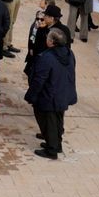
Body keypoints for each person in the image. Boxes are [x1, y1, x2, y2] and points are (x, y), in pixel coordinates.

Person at [26, 27, 77, 160]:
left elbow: (39, 80)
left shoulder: (46, 57)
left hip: (49, 95)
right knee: (58, 120)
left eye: (48, 37)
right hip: (63, 93)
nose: (46, 39)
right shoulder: (69, 54)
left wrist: (31, 95)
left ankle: (51, 149)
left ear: (52, 42)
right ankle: (56, 144)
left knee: (47, 121)